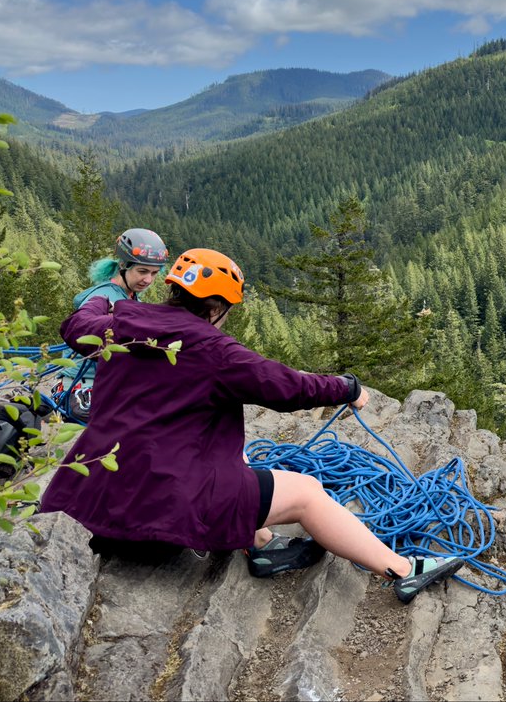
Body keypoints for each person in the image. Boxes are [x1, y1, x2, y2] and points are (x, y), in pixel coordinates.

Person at [40, 247, 464, 604]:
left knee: (232, 454)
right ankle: (405, 569)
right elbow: (288, 387)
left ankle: (261, 544)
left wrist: (106, 298)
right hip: (166, 511)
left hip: (94, 500)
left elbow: (77, 324)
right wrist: (347, 387)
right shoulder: (214, 349)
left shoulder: (122, 323)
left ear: (171, 287)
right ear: (220, 307)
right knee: (308, 495)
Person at [51, 228, 170, 421]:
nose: (148, 279)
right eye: (142, 271)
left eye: (154, 273)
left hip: (98, 386)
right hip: (84, 390)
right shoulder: (105, 298)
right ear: (123, 265)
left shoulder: (128, 297)